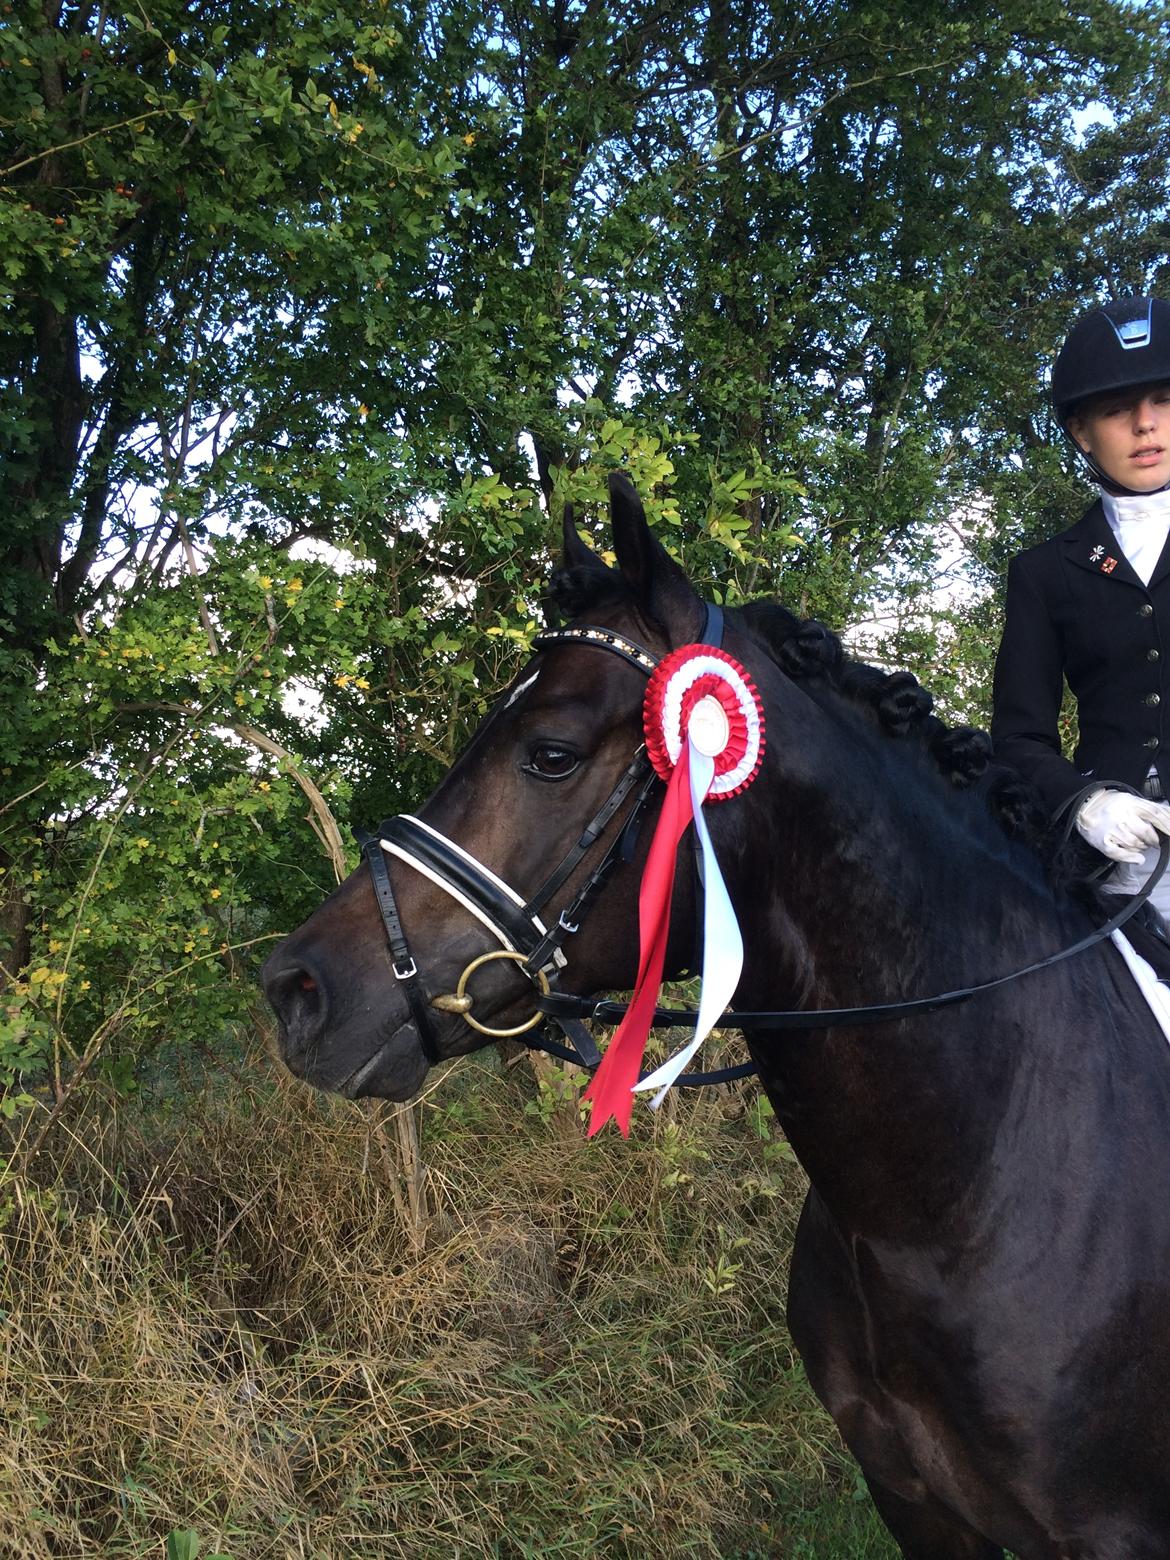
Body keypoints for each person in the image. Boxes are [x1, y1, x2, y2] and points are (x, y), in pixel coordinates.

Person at [991, 295, 1170, 917]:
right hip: (1119, 856)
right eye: (1118, 409)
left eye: (1163, 402)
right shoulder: (1044, 573)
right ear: (1082, 433)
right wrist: (1087, 803)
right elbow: (1018, 737)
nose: (1145, 424)